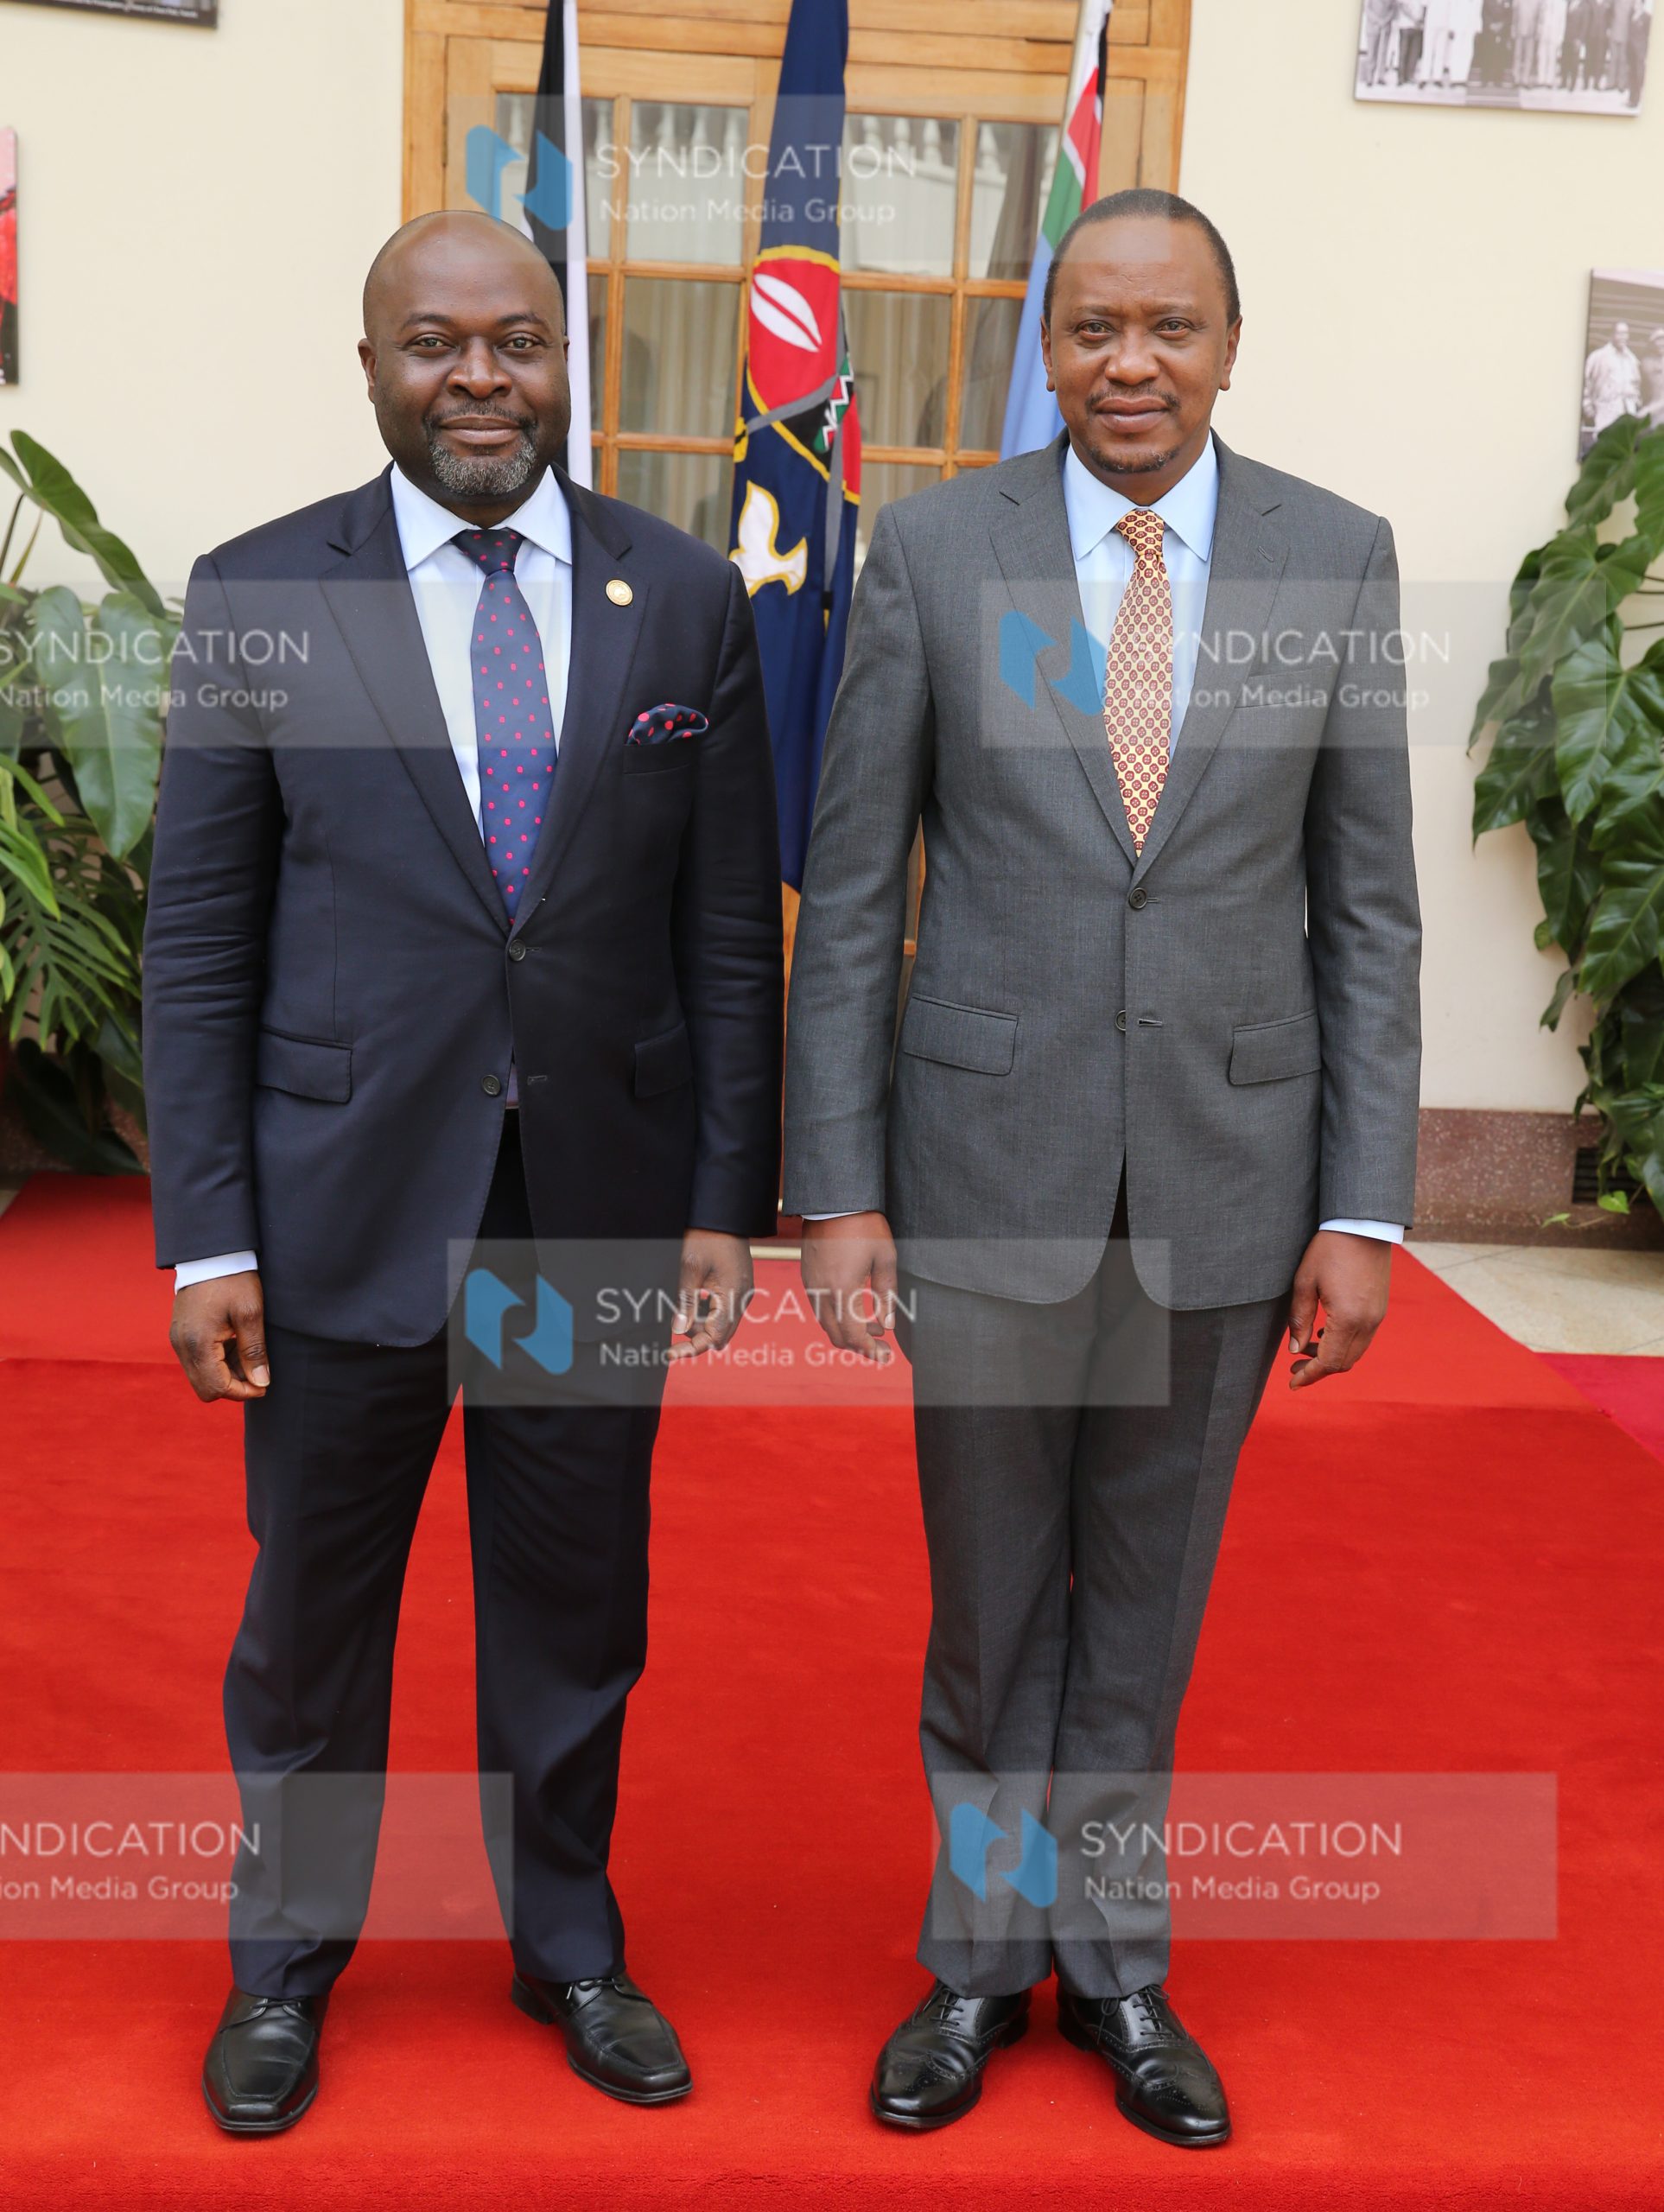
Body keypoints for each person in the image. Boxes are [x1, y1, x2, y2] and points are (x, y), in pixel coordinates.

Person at [783, 188, 1419, 2145]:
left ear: (1231, 341)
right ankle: (976, 1964)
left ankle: (1118, 1964)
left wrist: (1363, 1202)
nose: (1129, 363)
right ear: (1046, 347)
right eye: (1093, 328)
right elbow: (852, 882)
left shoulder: (1338, 556)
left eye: (1171, 325)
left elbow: (1369, 906)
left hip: (1228, 1183)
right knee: (991, 1608)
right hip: (981, 1166)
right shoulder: (934, 546)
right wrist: (839, 1183)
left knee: (1143, 1603)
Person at [143, 210, 784, 2133]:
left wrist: (719, 1196)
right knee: (314, 1620)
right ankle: (285, 1965)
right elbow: (198, 939)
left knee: (575, 1612)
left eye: (516, 342)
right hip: (340, 1205)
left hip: (590, 1196)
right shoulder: (264, 593)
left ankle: (567, 1942)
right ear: (372, 369)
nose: (480, 377)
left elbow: (726, 936)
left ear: (565, 360)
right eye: (437, 344)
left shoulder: (677, 598)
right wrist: (206, 1237)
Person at [1583, 319, 1643, 436]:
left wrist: (1636, 402)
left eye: (1626, 333)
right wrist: (1587, 407)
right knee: (1606, 444)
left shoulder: (1631, 359)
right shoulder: (1598, 357)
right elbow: (1587, 382)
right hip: (1606, 410)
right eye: (1620, 333)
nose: (1623, 337)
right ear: (1612, 334)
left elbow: (1637, 384)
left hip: (1627, 411)